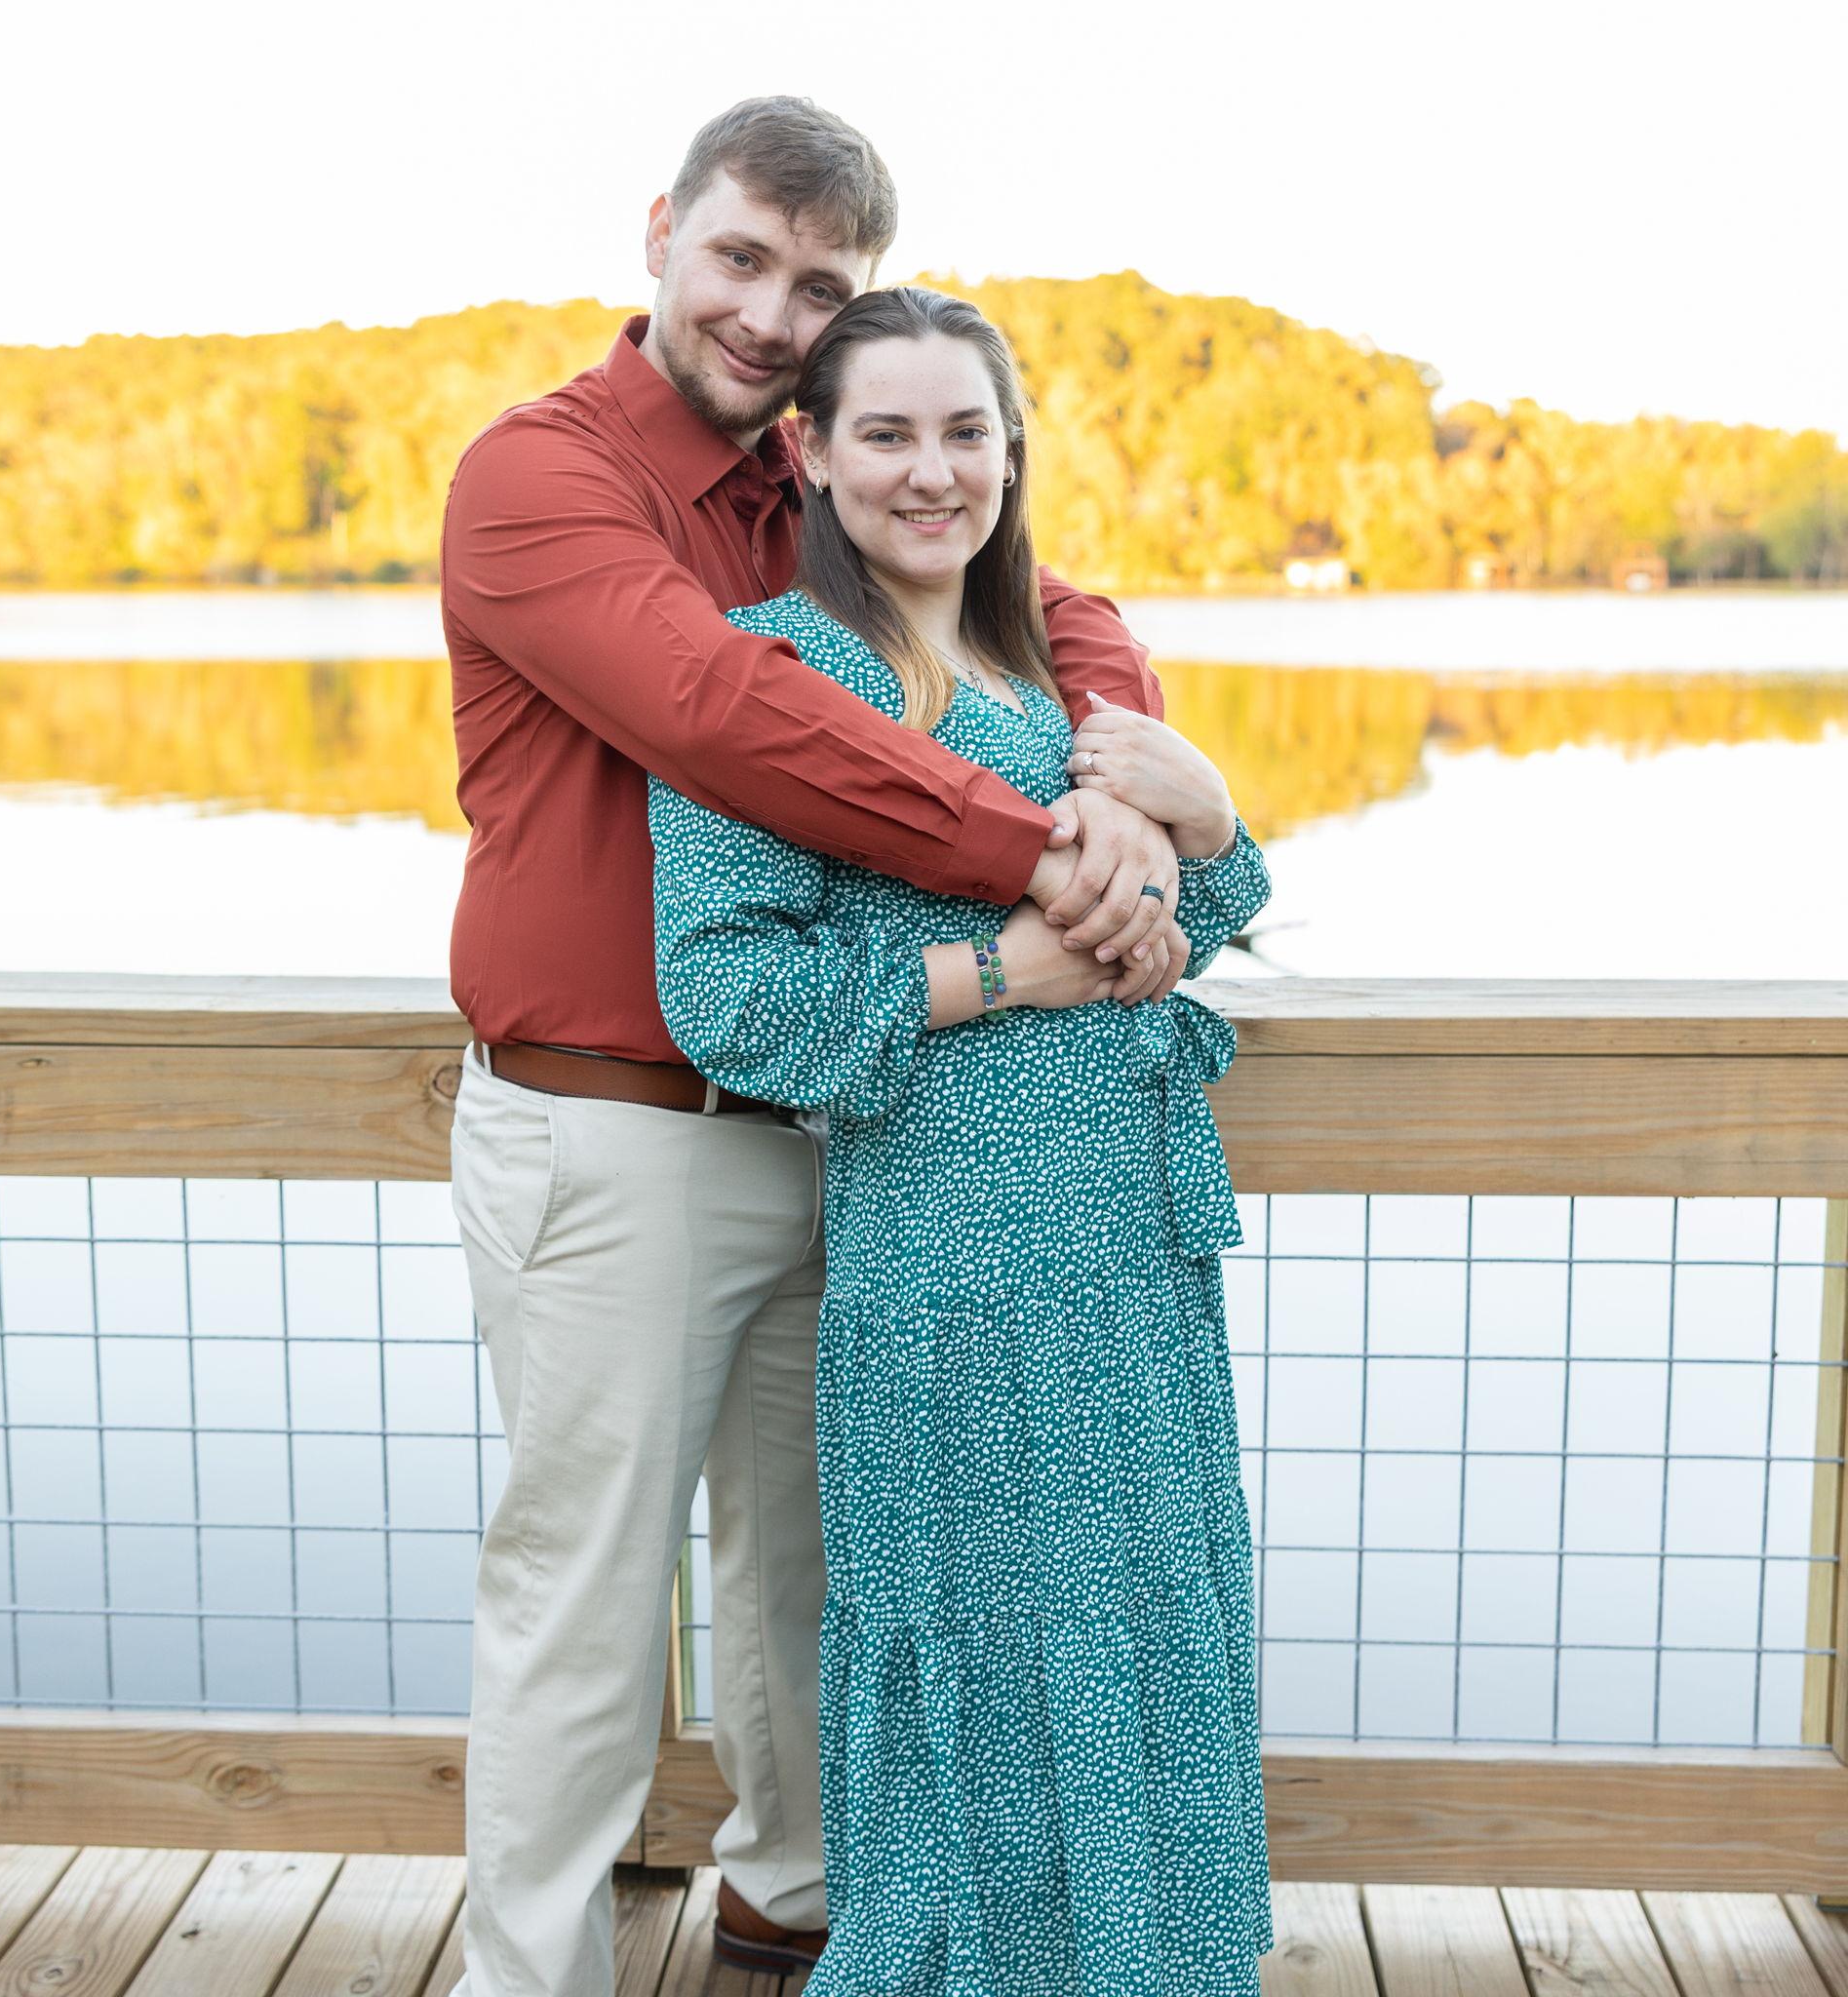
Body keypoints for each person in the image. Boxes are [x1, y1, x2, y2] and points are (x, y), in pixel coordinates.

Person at [440, 98, 1200, 1997]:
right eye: (741, 260)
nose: (776, 312)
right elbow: (727, 716)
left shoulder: (815, 467)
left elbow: (1053, 596)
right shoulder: (539, 480)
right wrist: (1047, 852)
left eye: (819, 282)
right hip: (612, 1127)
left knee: (811, 1566)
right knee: (584, 1596)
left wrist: (1113, 755)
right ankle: (527, 1972)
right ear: (658, 237)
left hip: (849, 1125)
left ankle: (790, 1896)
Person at [648, 287, 1275, 1992]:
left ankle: (1153, 1961)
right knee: (988, 1640)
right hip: (956, 1256)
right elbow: (728, 998)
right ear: (813, 456)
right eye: (889, 434)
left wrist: (1210, 817)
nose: (934, 473)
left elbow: (1200, 914)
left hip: (1133, 1253)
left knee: (1146, 1625)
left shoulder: (1062, 671)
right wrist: (1002, 969)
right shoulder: (786, 672)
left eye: (967, 432)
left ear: (1014, 450)